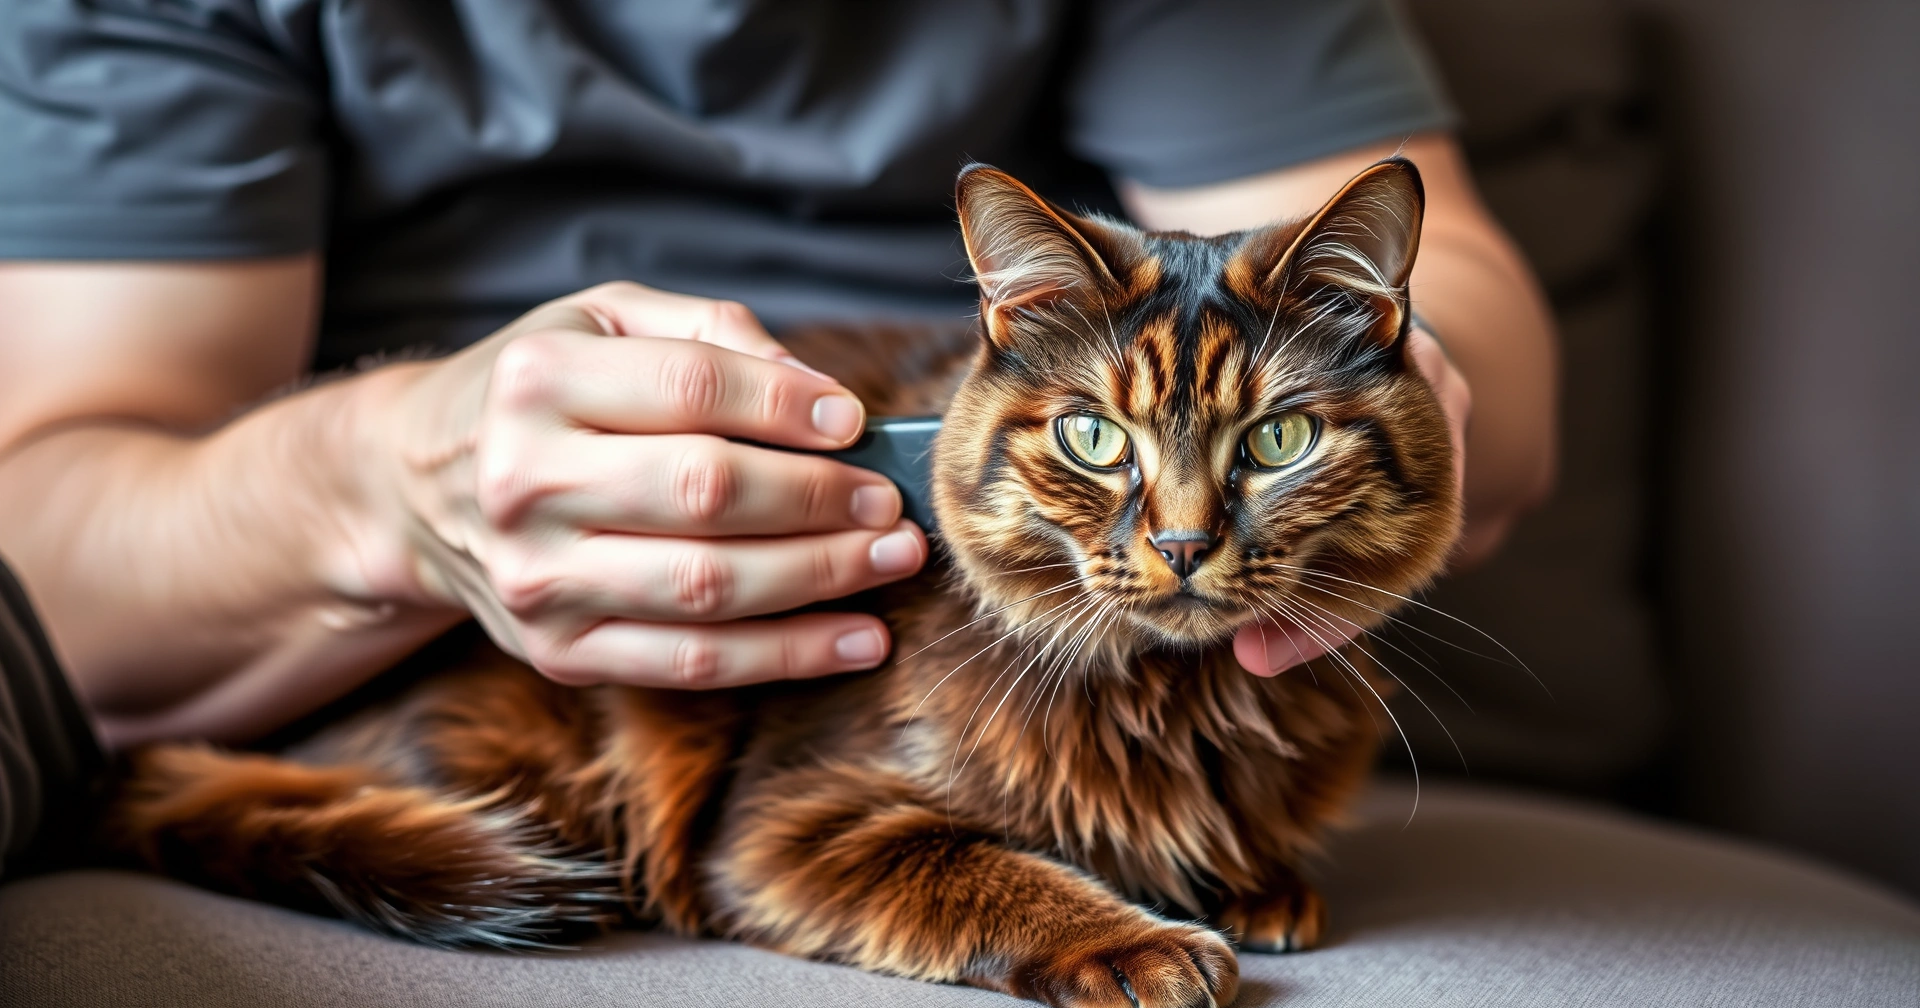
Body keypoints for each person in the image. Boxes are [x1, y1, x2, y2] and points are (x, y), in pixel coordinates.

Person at [0, 1, 1555, 875]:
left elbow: (1461, 310)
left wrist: (1392, 399)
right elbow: (48, 560)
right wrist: (386, 487)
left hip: (1025, 483)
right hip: (422, 639)